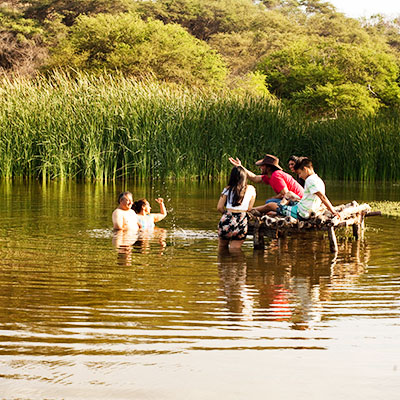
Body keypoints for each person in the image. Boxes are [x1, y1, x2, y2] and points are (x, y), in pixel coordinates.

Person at [257, 157, 340, 219]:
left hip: (301, 213)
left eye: (300, 173)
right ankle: (280, 209)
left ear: (305, 169)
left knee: (270, 205)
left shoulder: (310, 180)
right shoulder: (318, 179)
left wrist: (333, 211)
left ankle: (251, 210)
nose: (300, 176)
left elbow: (322, 197)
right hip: (303, 207)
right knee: (289, 194)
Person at [229, 154, 303, 207]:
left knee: (269, 201)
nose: (260, 167)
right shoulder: (269, 176)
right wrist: (240, 167)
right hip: (294, 200)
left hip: (298, 202)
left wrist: (272, 198)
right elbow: (254, 178)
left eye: (262, 165)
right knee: (269, 202)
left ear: (269, 167)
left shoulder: (276, 176)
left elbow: (285, 194)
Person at [217, 166, 256, 250]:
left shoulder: (227, 189)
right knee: (235, 249)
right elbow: (249, 208)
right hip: (241, 221)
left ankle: (222, 262)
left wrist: (226, 214)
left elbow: (219, 207)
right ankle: (237, 262)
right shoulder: (251, 189)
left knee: (222, 248)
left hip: (227, 219)